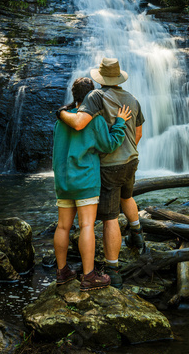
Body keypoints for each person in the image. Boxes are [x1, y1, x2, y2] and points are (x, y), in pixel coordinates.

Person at [58, 57, 145, 289]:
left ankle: (113, 270)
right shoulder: (133, 99)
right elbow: (138, 133)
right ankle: (137, 232)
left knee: (109, 219)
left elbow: (79, 124)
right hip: (131, 159)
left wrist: (60, 113)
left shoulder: (95, 98)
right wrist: (126, 144)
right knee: (127, 196)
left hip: (105, 167)